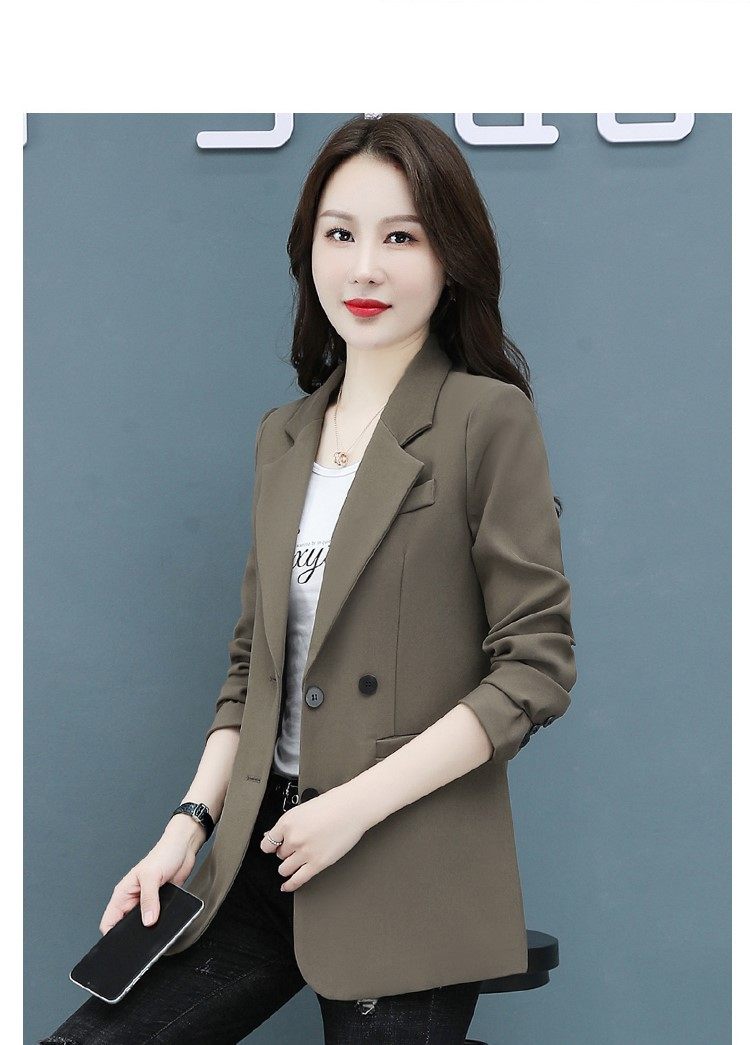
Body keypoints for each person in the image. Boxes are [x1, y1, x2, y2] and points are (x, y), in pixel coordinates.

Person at [41, 112, 577, 1044]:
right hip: (262, 850)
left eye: (400, 237)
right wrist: (184, 829)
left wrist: (352, 808)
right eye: (340, 234)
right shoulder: (282, 436)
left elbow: (535, 668)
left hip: (401, 855)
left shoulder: (483, 420)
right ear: (310, 251)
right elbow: (252, 666)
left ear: (450, 257)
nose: (364, 268)